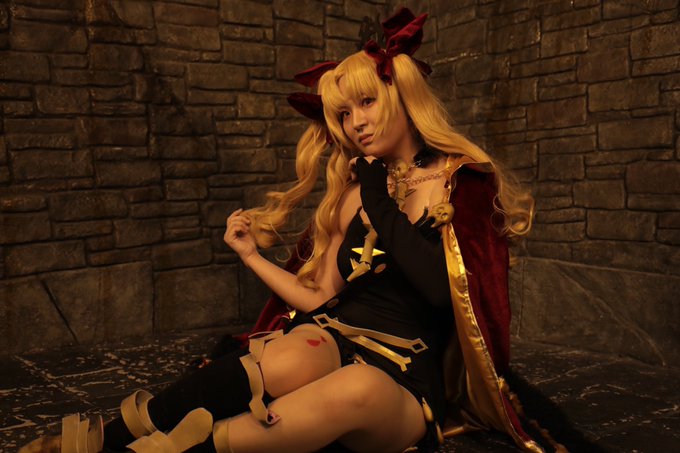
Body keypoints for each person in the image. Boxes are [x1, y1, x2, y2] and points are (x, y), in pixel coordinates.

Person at [21, 7, 550, 453]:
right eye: (344, 113)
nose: (356, 122)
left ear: (403, 95)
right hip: (337, 339)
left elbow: (440, 289)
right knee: (296, 350)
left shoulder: (459, 182)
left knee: (356, 386)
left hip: (405, 377)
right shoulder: (353, 193)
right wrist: (251, 256)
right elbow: (320, 296)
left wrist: (376, 196)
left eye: (367, 102)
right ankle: (108, 439)